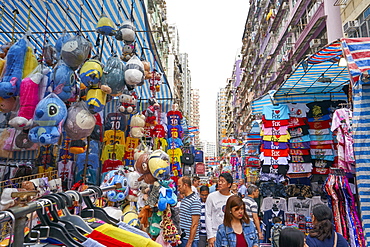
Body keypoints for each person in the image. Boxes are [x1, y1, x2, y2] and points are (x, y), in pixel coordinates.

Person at [205, 172, 233, 247]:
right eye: (219, 181)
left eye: (222, 181)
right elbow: (208, 216)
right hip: (215, 233)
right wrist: (210, 236)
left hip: (230, 234)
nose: (219, 183)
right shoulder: (211, 196)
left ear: (229, 184)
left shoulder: (233, 198)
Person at [178, 176, 201, 247]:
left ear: (185, 185)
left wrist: (190, 242)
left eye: (179, 186)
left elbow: (195, 224)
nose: (178, 189)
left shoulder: (195, 201)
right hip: (183, 237)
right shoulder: (185, 199)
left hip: (189, 240)